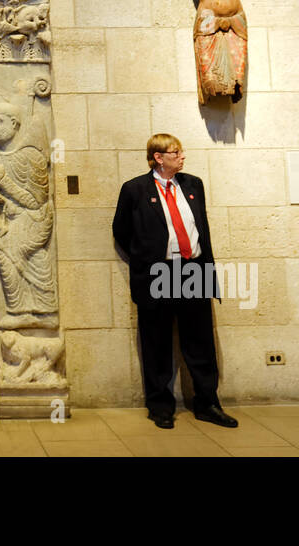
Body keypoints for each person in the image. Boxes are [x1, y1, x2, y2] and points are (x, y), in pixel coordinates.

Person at [111, 133, 237, 430]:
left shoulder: (193, 185)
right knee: (157, 341)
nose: (182, 156)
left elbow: (200, 226)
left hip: (194, 270)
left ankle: (208, 404)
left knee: (200, 341)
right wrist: (146, 258)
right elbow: (121, 230)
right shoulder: (135, 189)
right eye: (175, 152)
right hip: (159, 273)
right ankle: (160, 407)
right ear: (158, 157)